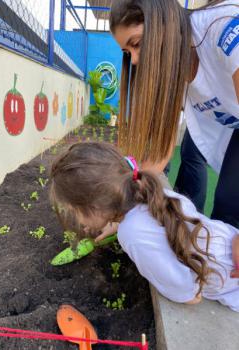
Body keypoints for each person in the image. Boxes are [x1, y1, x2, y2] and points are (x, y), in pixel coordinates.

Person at [50, 142, 239, 311]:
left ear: (94, 207)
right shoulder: (154, 193)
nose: (78, 221)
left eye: (74, 211)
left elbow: (189, 295)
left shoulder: (131, 235)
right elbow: (147, 223)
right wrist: (116, 225)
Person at [109, 0, 239, 228]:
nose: (135, 60)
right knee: (226, 214)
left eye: (137, 44)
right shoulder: (170, 68)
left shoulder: (224, 29)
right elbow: (160, 156)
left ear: (164, 23)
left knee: (231, 212)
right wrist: (124, 210)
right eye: (127, 52)